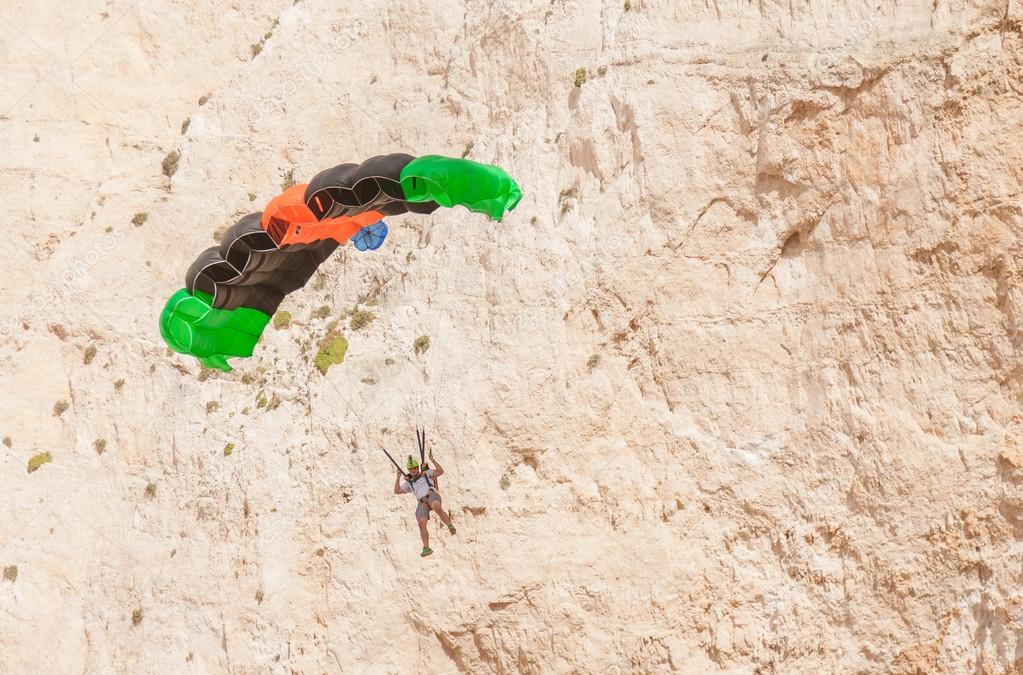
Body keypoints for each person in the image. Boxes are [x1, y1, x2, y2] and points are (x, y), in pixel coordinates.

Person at [394, 450, 456, 557]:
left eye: (415, 468)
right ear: (408, 470)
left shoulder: (426, 473)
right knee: (421, 523)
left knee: (436, 507)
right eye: (411, 469)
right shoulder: (410, 482)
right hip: (422, 501)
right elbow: (397, 491)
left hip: (430, 494)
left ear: (417, 468)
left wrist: (433, 460)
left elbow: (440, 472)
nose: (413, 470)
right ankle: (426, 547)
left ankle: (450, 525)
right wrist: (398, 477)